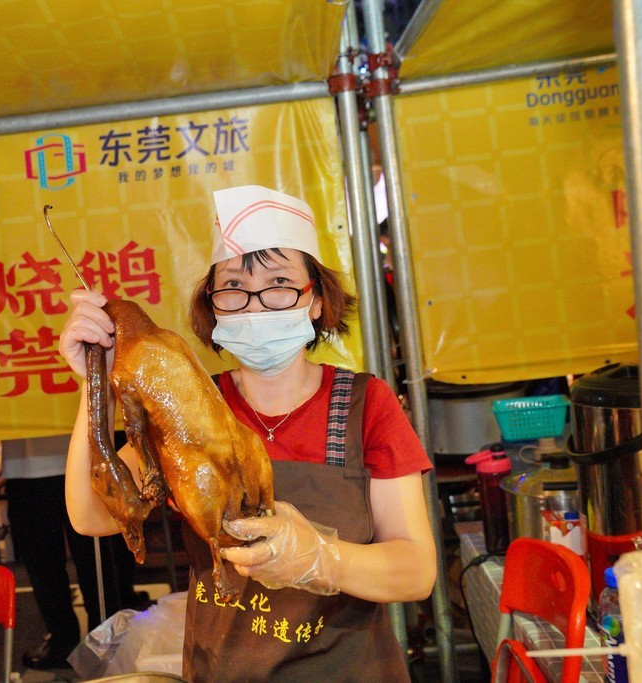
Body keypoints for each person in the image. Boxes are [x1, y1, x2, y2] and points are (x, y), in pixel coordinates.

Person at [57, 185, 437, 681]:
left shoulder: (365, 405)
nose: (255, 305)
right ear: (214, 306)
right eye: (234, 286)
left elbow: (416, 570)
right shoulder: (186, 404)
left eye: (279, 282)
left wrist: (318, 558)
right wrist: (97, 383)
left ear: (317, 301)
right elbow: (91, 517)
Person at [3, 434, 145, 670]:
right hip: (24, 465)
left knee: (96, 555)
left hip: (87, 458)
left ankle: (105, 638)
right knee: (41, 559)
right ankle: (62, 639)